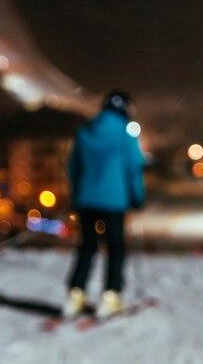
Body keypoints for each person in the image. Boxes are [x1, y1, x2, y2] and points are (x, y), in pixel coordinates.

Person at [64, 90, 146, 318]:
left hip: (86, 200)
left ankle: (75, 294)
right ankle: (111, 295)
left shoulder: (85, 131)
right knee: (115, 247)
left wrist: (77, 194)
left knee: (87, 246)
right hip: (114, 201)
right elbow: (133, 169)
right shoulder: (125, 134)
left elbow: (73, 168)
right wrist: (137, 198)